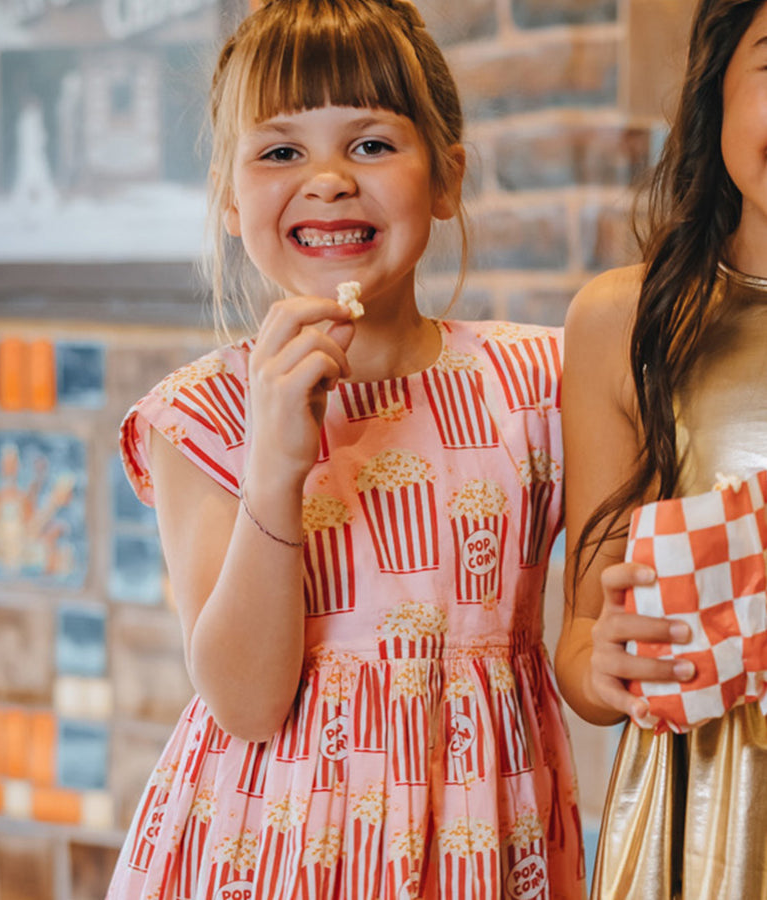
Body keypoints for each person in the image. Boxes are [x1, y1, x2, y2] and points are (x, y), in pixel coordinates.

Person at [107, 0, 585, 897]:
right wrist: (275, 466)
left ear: (445, 181)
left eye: (370, 144)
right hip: (262, 850)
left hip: (479, 842)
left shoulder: (540, 382)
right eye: (280, 152)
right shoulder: (199, 414)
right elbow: (246, 703)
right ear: (229, 197)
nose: (327, 181)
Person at [556, 1, 767, 897]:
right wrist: (607, 663)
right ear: (716, 89)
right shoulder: (628, 321)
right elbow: (581, 645)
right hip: (699, 820)